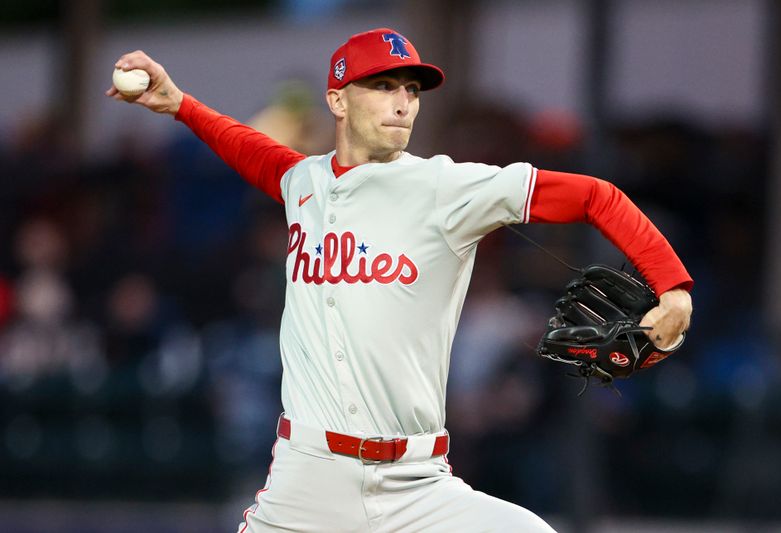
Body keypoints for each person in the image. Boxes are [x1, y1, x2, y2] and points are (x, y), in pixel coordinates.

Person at [107, 27, 693, 532]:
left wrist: (673, 290)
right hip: (306, 478)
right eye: (383, 86)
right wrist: (179, 103)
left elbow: (596, 195)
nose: (403, 103)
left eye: (411, 90)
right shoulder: (302, 182)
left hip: (418, 484)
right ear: (337, 100)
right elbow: (250, 150)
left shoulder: (446, 187)